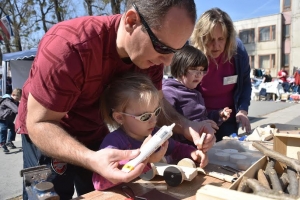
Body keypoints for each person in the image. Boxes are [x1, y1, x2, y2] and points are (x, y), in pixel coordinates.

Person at [15, 1, 217, 199]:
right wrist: (91, 158)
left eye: (175, 51)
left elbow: (158, 104)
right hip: (47, 133)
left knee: (101, 192)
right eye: (163, 48)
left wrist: (185, 125)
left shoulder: (152, 55)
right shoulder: (68, 46)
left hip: (94, 130)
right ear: (131, 21)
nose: (168, 62)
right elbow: (39, 123)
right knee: (47, 195)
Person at [92, 72, 208, 190]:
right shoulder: (114, 142)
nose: (153, 121)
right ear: (120, 117)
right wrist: (144, 159)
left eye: (156, 112)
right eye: (145, 116)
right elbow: (99, 183)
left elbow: (176, 148)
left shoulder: (155, 133)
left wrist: (193, 153)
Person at [190, 8, 252, 142]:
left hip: (227, 118)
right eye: (210, 39)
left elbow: (245, 83)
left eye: (221, 39)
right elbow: (183, 93)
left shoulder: (238, 52)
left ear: (228, 38)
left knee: (229, 152)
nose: (216, 46)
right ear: (201, 38)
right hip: (199, 119)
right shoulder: (190, 54)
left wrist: (243, 110)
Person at [163, 45, 232, 145]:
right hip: (180, 153)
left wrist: (218, 116)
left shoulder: (196, 93)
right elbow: (166, 126)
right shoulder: (169, 92)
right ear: (179, 67)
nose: (199, 74)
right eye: (194, 69)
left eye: (201, 70)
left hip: (199, 147)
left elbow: (202, 119)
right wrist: (193, 129)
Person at [0, 88, 22, 153]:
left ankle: (9, 141)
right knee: (3, 129)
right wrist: (20, 112)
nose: (18, 100)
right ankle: (2, 143)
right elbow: (14, 108)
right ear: (13, 94)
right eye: (17, 98)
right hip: (2, 118)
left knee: (13, 128)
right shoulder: (7, 100)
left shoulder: (15, 101)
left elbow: (20, 107)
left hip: (9, 119)